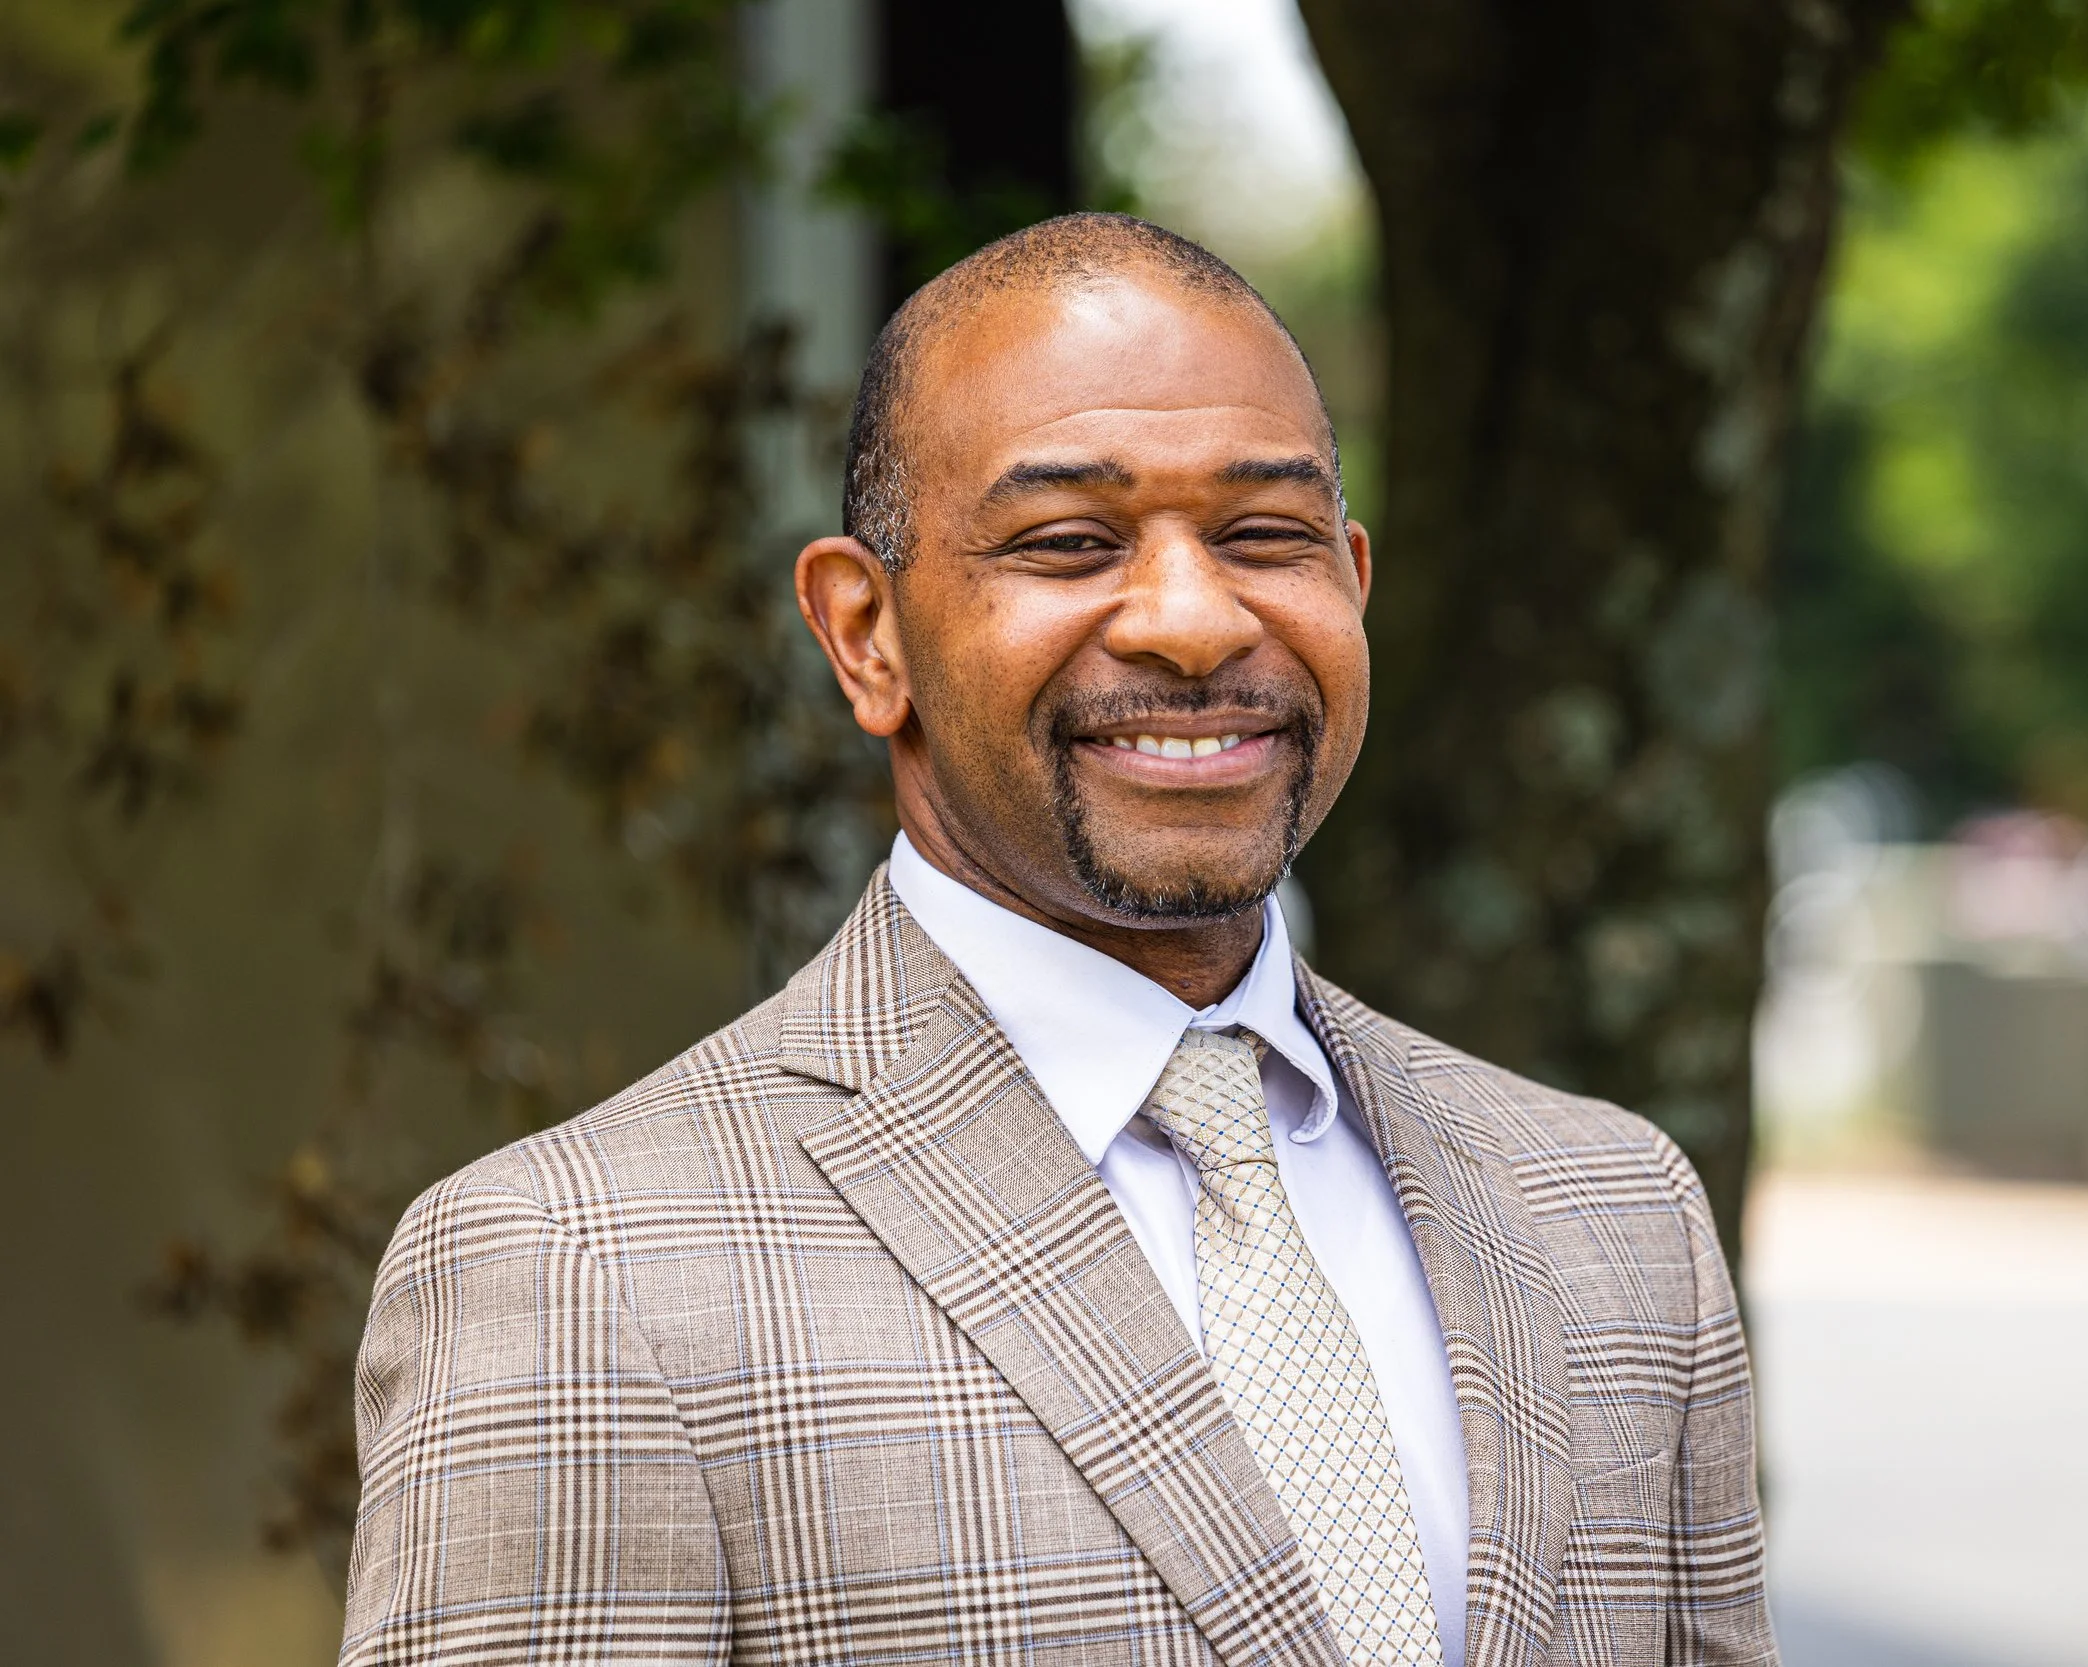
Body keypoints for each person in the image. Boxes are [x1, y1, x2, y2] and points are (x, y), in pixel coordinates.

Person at [338, 213, 1773, 1667]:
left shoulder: (1615, 1213)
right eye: (1070, 542)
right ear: (865, 632)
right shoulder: (581, 1269)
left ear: (1352, 577)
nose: (1194, 622)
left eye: (1262, 534)